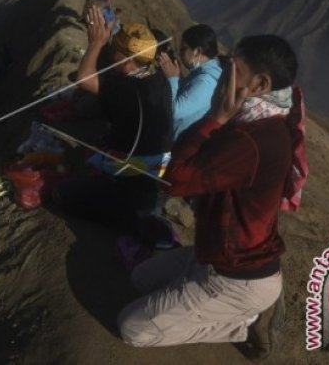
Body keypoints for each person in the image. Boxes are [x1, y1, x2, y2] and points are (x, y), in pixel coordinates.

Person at [118, 35, 303, 361]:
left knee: (133, 328)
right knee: (140, 279)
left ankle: (243, 323)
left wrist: (213, 118)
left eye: (233, 68)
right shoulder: (257, 119)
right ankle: (223, 305)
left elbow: (175, 181)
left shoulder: (250, 139)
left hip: (237, 276)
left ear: (260, 84)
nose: (222, 73)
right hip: (213, 253)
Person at [53, 7, 173, 237]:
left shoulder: (128, 89)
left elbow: (84, 79)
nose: (109, 54)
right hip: (153, 172)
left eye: (114, 50)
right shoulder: (157, 78)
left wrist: (95, 44)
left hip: (132, 183)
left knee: (61, 193)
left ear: (128, 61)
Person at [158, 24, 222, 139]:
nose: (180, 54)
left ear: (197, 51)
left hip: (175, 147)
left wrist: (172, 79)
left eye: (183, 49)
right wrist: (178, 79)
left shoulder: (206, 81)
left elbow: (175, 112)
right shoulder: (201, 72)